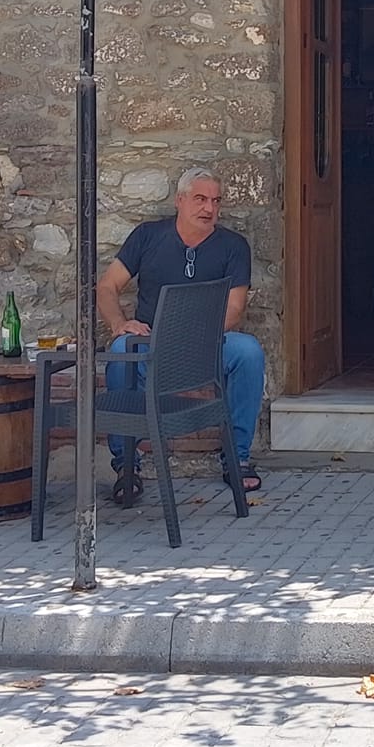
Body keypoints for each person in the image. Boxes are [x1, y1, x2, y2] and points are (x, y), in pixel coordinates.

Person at [94, 167, 265, 502]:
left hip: (207, 341)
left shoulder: (233, 246)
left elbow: (234, 309)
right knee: (122, 350)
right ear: (180, 200)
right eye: (200, 199)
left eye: (215, 201)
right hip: (151, 342)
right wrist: (118, 323)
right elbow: (107, 286)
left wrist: (192, 333)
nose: (209, 208)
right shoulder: (148, 236)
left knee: (248, 352)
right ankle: (126, 464)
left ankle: (238, 458)